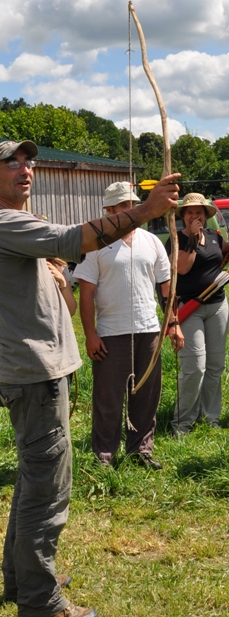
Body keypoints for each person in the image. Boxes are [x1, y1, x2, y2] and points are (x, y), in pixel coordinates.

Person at [0, 138, 180, 617]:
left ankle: (22, 578)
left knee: (32, 480)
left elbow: (57, 272)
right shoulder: (3, 222)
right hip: (36, 375)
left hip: (39, 371)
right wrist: (146, 211)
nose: (25, 169)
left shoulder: (12, 226)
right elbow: (74, 239)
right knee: (47, 487)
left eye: (29, 161)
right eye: (12, 163)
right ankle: (40, 600)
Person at [74, 181, 184, 469]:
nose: (129, 209)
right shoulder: (95, 244)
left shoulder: (152, 242)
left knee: (146, 396)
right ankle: (104, 456)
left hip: (149, 329)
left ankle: (141, 451)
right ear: (109, 210)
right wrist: (90, 334)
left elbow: (166, 287)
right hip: (111, 332)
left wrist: (172, 322)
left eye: (131, 204)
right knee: (108, 398)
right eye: (122, 205)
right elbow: (86, 292)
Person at [166, 192, 229, 436]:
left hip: (218, 306)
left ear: (206, 215)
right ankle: (182, 423)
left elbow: (221, 255)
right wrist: (192, 237)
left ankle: (209, 417)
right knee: (195, 368)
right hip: (188, 308)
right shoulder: (176, 239)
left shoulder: (214, 236)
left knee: (215, 366)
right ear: (183, 216)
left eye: (199, 212)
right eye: (190, 212)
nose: (195, 215)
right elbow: (182, 268)